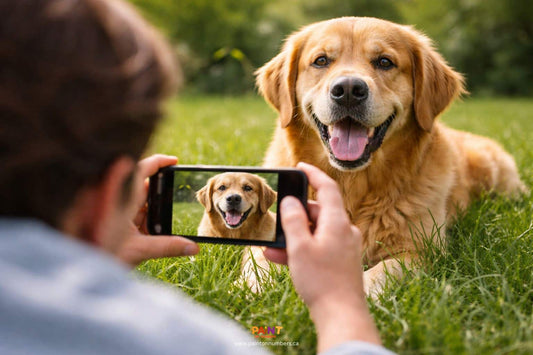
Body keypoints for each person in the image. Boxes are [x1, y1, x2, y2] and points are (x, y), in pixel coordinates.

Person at [0, 0, 394, 354]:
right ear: (108, 196)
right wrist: (338, 303)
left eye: (385, 62)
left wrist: (87, 252)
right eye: (321, 62)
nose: (349, 82)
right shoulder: (182, 340)